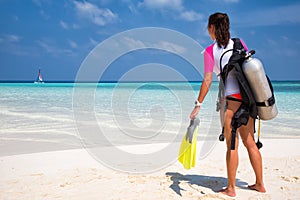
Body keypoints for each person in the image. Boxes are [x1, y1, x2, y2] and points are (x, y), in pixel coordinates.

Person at [190, 12, 266, 197]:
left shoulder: (210, 51)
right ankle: (260, 184)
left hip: (230, 102)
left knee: (232, 145)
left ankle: (231, 188)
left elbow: (207, 80)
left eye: (208, 27)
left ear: (212, 28)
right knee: (251, 144)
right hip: (247, 101)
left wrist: (198, 103)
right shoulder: (239, 44)